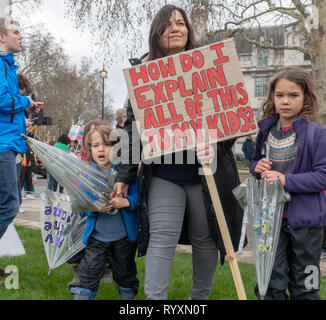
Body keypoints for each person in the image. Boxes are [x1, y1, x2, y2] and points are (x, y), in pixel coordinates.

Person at [115, 5, 244, 300]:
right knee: (161, 238)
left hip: (204, 174)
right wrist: (123, 174)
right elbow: (132, 130)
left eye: (181, 23)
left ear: (189, 30)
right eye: (167, 25)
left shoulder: (210, 67)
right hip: (164, 174)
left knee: (206, 239)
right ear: (156, 34)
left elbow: (229, 117)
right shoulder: (143, 74)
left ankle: (198, 301)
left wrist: (215, 145)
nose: (176, 28)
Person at [251, 66, 326, 300]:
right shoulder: (265, 131)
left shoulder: (318, 133)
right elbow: (255, 163)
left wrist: (286, 179)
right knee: (270, 283)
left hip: (307, 223)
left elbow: (322, 175)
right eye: (279, 95)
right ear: (272, 97)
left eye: (293, 95)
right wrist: (257, 167)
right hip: (269, 221)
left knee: (307, 285)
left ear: (305, 97)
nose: (285, 101)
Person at [70, 126, 139, 300]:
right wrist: (93, 205)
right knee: (88, 275)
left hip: (123, 239)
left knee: (126, 275)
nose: (101, 149)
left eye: (107, 145)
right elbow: (78, 204)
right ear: (89, 149)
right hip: (96, 239)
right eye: (95, 145)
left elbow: (140, 197)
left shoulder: (127, 174)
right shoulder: (86, 175)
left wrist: (127, 202)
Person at [0, 17, 43, 243]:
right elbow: (2, 100)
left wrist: (25, 114)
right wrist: (26, 101)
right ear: (1, 37)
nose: (20, 35)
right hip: (3, 145)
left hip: (10, 143)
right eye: (15, 31)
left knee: (8, 203)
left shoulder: (7, 66)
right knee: (10, 204)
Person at [67, 118, 112, 288]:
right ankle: (78, 266)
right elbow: (76, 196)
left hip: (107, 209)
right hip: (86, 208)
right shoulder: (80, 163)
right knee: (79, 225)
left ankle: (106, 267)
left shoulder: (112, 165)